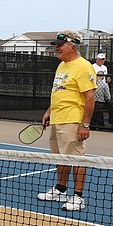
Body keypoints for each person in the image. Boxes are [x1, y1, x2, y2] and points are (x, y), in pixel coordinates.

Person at [37, 30, 96, 212]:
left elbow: (90, 97)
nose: (56, 49)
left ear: (72, 46)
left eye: (60, 46)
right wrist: (49, 112)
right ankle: (61, 189)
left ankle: (78, 197)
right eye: (56, 46)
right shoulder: (62, 66)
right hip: (57, 119)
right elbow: (59, 92)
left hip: (72, 121)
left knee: (76, 159)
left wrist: (84, 125)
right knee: (60, 157)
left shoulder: (83, 66)